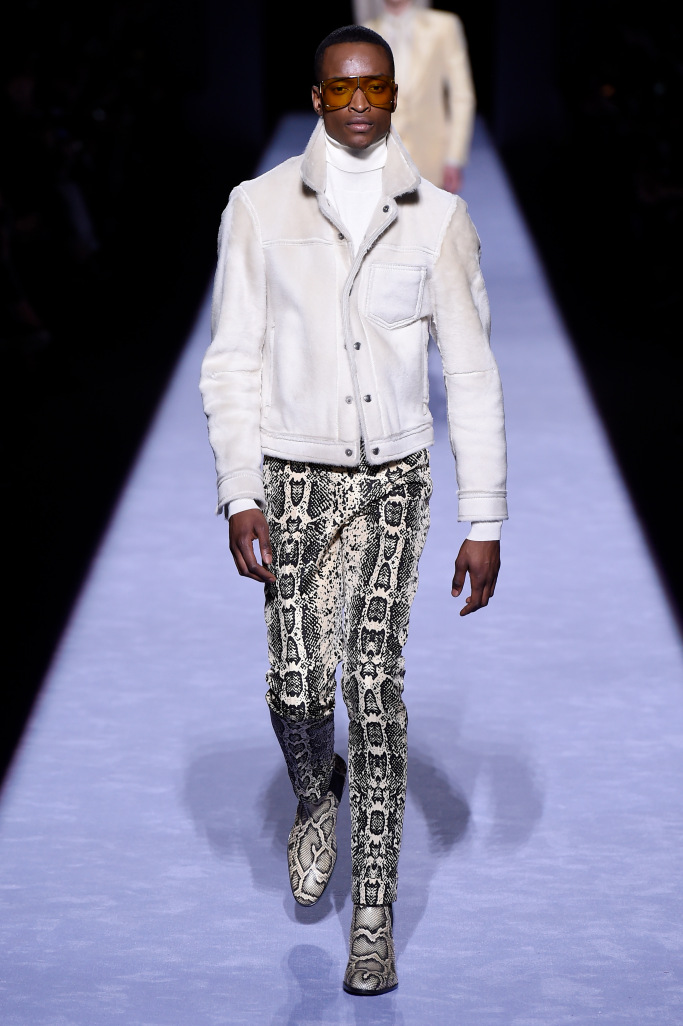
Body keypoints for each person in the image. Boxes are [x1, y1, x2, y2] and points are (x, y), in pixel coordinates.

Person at [199, 24, 507, 996]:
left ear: (394, 95)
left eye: (376, 86)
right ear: (318, 97)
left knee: (372, 690)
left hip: (392, 484)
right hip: (291, 480)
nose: (362, 102)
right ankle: (311, 790)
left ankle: (371, 918)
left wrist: (484, 518)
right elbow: (232, 359)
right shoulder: (256, 208)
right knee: (297, 688)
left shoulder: (438, 220)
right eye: (342, 88)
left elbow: (471, 369)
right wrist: (239, 491)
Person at [362, 0, 475, 192]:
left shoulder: (444, 27)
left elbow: (461, 95)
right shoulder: (365, 34)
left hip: (432, 157)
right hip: (379, 158)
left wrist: (454, 157)